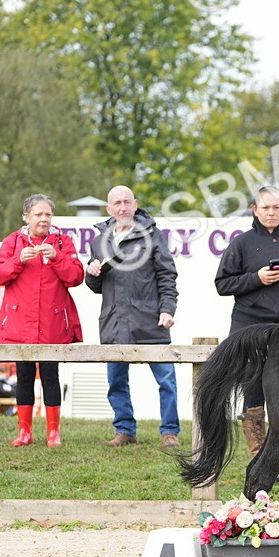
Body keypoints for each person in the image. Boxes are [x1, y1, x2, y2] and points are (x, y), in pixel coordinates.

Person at [85, 185, 181, 448]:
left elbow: (166, 274)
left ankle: (170, 432)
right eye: (117, 203)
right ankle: (125, 430)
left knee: (166, 381)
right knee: (116, 381)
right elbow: (95, 288)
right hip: (114, 321)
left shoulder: (152, 236)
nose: (123, 207)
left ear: (136, 204)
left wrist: (167, 309)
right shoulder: (98, 242)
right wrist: (92, 273)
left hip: (150, 320)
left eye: (127, 202)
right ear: (109, 208)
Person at [0, 193, 84, 447]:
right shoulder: (12, 241)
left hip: (52, 322)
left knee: (51, 374)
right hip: (21, 322)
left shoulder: (63, 242)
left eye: (48, 214)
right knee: (25, 375)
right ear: (26, 216)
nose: (44, 219)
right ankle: (25, 433)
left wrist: (56, 257)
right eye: (38, 214)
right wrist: (18, 260)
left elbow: (76, 277)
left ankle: (53, 433)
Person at [215, 186, 279, 456]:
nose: (271, 213)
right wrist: (256, 278)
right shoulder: (241, 243)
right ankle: (258, 455)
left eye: (276, 207)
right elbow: (222, 284)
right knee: (252, 389)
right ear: (255, 209)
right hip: (249, 326)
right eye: (265, 208)